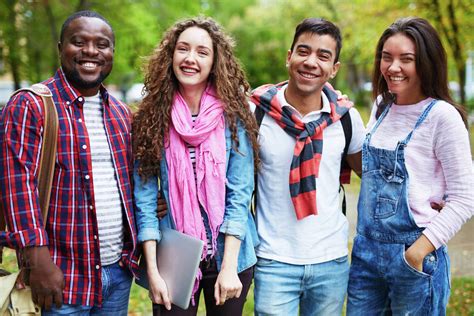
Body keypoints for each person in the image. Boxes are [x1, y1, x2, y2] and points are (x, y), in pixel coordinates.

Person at [0, 10, 140, 315]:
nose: (91, 51)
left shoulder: (121, 114)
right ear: (61, 47)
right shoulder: (31, 105)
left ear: (112, 53)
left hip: (117, 273)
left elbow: (127, 184)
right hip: (59, 276)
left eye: (102, 44)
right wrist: (37, 262)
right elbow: (17, 189)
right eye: (79, 42)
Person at [132, 17, 260, 315]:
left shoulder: (235, 115)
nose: (191, 58)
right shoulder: (151, 117)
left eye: (202, 52)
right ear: (171, 55)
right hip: (174, 253)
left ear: (215, 61)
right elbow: (145, 199)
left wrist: (228, 267)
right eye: (183, 49)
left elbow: (240, 194)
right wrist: (152, 270)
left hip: (230, 254)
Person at [347, 17, 473, 315]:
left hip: (413, 257)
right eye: (386, 57)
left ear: (426, 62)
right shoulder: (381, 105)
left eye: (407, 59)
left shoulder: (443, 116)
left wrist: (416, 253)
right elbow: (372, 173)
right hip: (366, 255)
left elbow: (465, 199)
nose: (393, 67)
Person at [249, 18, 366, 315]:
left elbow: (374, 175)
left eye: (323, 56)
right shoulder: (255, 113)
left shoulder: (346, 119)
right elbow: (225, 178)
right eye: (304, 51)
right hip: (273, 260)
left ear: (334, 68)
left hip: (331, 260)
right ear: (289, 56)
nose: (311, 62)